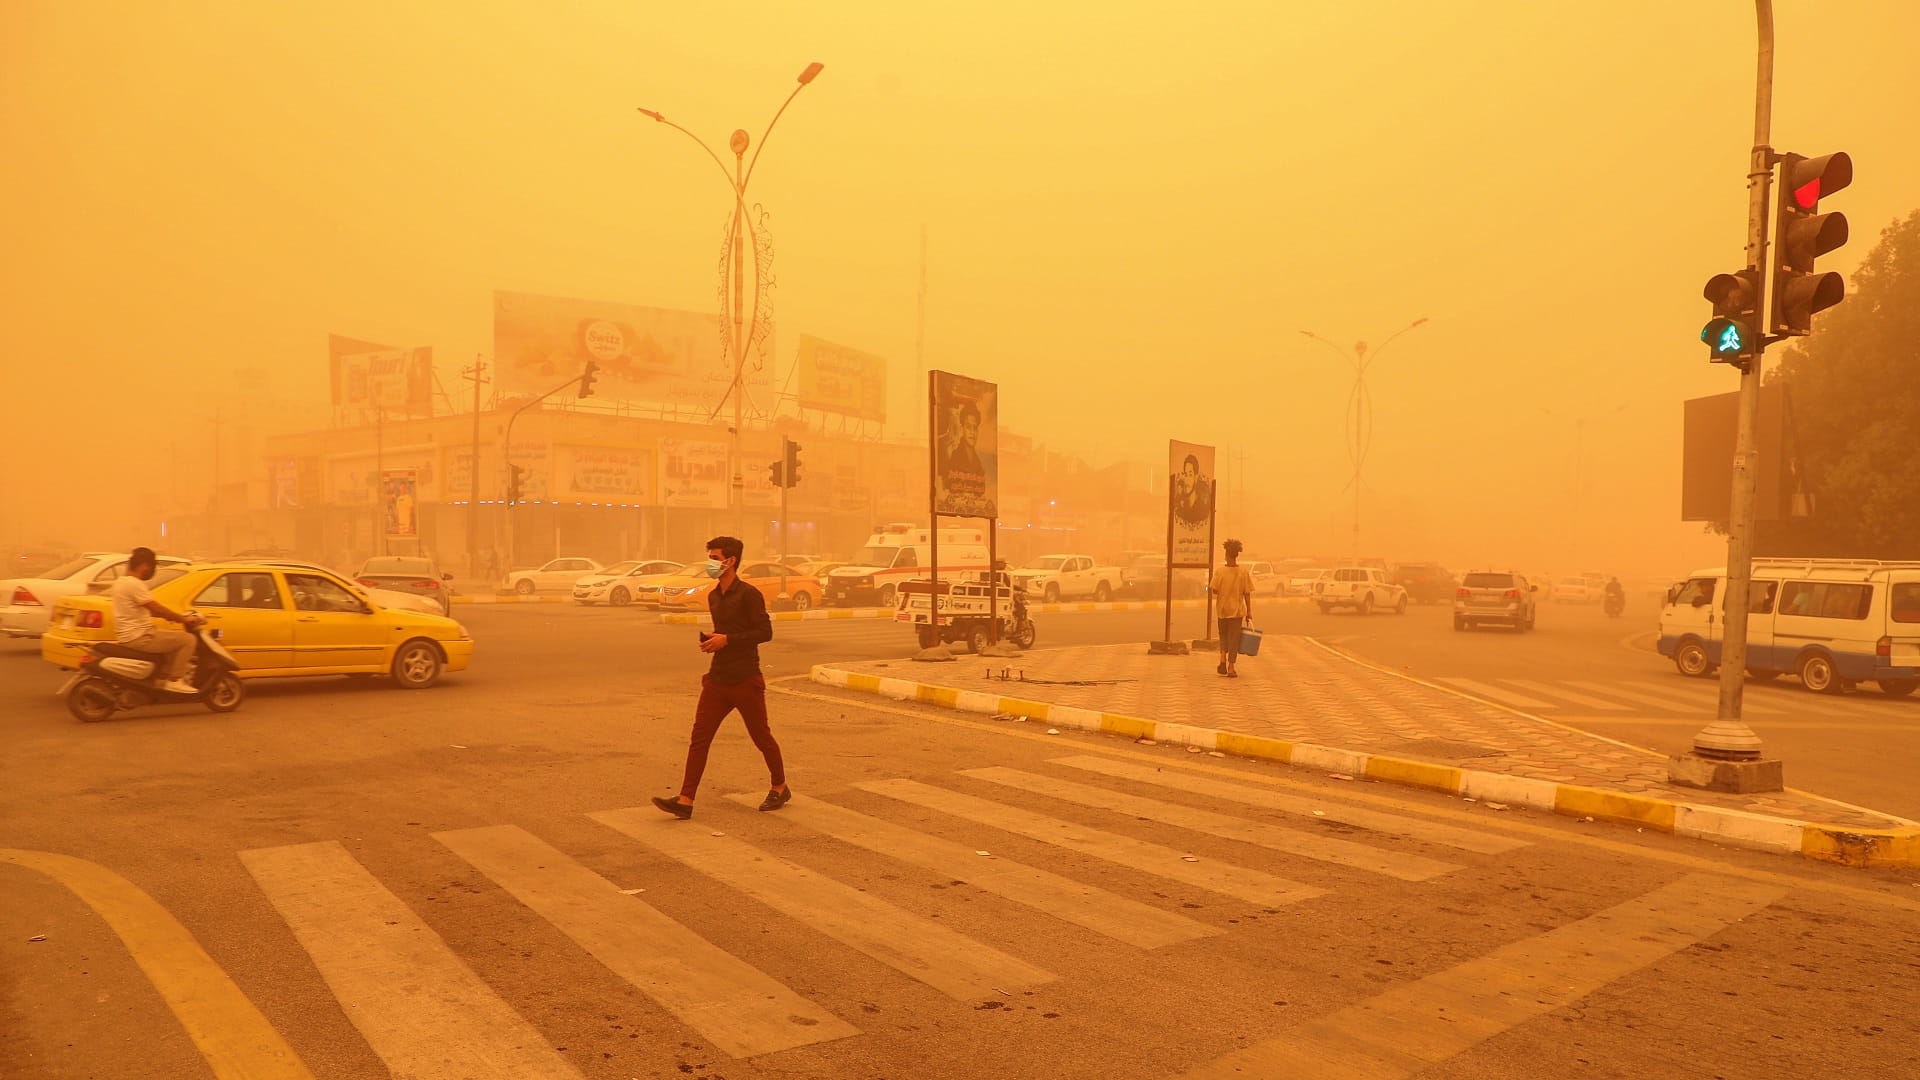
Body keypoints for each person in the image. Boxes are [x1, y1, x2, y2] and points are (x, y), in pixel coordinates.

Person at [653, 536, 789, 819]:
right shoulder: (714, 595)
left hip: (745, 678)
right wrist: (713, 640)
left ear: (731, 561)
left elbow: (765, 633)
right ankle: (686, 800)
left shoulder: (749, 594)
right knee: (699, 738)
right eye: (710, 558)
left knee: (761, 736)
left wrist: (728, 640)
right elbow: (725, 632)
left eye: (715, 558)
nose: (710, 563)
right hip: (717, 679)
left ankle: (780, 786)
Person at [108, 547, 203, 693]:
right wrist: (182, 619)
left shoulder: (121, 582)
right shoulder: (134, 584)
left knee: (172, 640)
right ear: (144, 565)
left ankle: (161, 680)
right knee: (188, 640)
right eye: (152, 567)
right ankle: (175, 680)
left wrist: (174, 617)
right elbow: (155, 608)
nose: (152, 571)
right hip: (140, 636)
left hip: (131, 635)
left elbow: (143, 610)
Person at [1209, 538, 1254, 677]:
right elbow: (1247, 593)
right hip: (1236, 611)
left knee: (1223, 635)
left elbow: (1214, 590)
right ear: (1236, 555)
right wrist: (1249, 611)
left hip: (1222, 610)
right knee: (1234, 638)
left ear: (1226, 555)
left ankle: (1222, 657)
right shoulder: (1243, 572)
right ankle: (1231, 667)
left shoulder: (1220, 572)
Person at [1173, 454, 1212, 527]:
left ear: (1196, 477)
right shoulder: (1179, 511)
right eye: (1185, 474)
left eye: (1190, 475)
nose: (1187, 480)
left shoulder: (1203, 511)